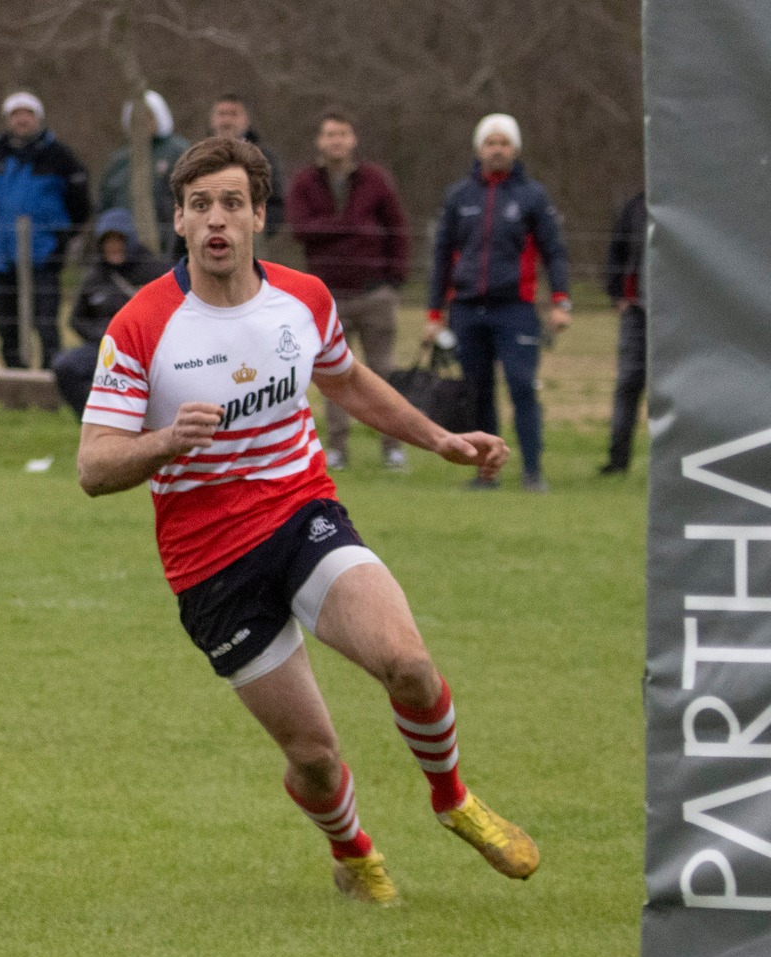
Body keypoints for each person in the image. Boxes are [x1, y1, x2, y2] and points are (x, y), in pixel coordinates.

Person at [76, 138, 537, 906]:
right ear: (181, 225)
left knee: (410, 664)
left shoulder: (303, 300)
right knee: (316, 756)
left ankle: (452, 798)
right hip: (211, 566)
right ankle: (354, 853)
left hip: (302, 516)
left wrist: (441, 439)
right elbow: (94, 467)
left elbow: (348, 381)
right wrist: (165, 442)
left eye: (231, 203)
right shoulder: (141, 326)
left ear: (260, 214)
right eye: (199, 206)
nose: (216, 220)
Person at [424, 114, 571, 492]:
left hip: (516, 309)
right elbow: (442, 255)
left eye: (504, 142)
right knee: (479, 392)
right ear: (479, 148)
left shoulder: (532, 197)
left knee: (522, 386)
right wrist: (434, 313)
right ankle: (486, 474)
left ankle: (533, 471)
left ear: (515, 149)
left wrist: (560, 301)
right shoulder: (459, 197)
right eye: (490, 142)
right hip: (467, 310)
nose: (497, 149)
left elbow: (554, 251)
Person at [286, 108, 411, 470]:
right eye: (329, 134)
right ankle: (338, 449)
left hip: (375, 294)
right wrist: (351, 226)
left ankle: (394, 447)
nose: (335, 141)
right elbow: (300, 229)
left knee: (382, 373)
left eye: (342, 134)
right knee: (333, 376)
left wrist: (394, 282)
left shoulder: (376, 180)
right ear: (319, 141)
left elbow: (397, 230)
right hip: (328, 296)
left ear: (353, 139)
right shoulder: (305, 183)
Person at [0, 91, 91, 369]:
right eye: (15, 114)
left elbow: (81, 203)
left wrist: (61, 239)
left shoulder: (59, 155)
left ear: (38, 118)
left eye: (27, 113)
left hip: (43, 255)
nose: (21, 120)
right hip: (2, 255)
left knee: (45, 323)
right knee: (7, 326)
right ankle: (14, 383)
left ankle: (50, 382)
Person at [49, 208, 167, 418]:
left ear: (129, 240)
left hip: (147, 350)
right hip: (106, 348)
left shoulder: (155, 272)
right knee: (65, 365)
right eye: (108, 241)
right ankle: (96, 420)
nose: (114, 247)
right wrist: (105, 336)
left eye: (119, 240)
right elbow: (76, 320)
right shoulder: (95, 276)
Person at [97, 90, 190, 254]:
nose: (142, 123)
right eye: (136, 118)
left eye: (148, 116)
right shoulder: (120, 160)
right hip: (124, 246)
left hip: (168, 243)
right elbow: (105, 200)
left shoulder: (178, 151)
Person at [601, 190, 647, 476]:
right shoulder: (636, 205)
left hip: (678, 317)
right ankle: (618, 461)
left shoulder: (691, 205)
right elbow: (617, 250)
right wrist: (617, 292)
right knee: (628, 383)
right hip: (637, 311)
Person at [206, 95, 285, 238]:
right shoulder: (198, 158)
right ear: (212, 119)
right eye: (222, 114)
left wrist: (256, 228)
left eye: (233, 114)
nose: (227, 121)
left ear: (246, 119)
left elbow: (276, 203)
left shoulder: (264, 158)